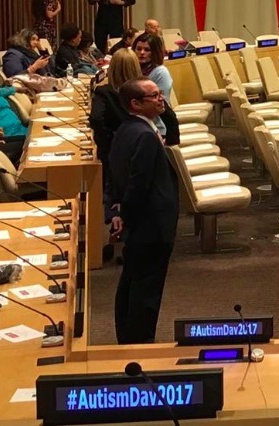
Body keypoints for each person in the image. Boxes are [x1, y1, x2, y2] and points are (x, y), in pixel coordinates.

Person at [109, 77, 178, 344]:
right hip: (151, 226)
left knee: (131, 284)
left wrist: (117, 213)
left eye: (160, 93)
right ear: (135, 104)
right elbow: (138, 185)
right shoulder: (145, 136)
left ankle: (127, 341)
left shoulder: (125, 130)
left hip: (139, 225)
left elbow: (114, 179)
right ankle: (140, 345)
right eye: (154, 96)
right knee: (146, 293)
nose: (161, 98)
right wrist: (126, 215)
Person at [93, 48, 184, 227]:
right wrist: (170, 145)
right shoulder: (146, 88)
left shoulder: (106, 92)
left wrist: (106, 141)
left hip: (123, 145)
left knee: (130, 185)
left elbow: (96, 119)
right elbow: (170, 117)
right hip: (149, 141)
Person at [133, 34, 173, 102]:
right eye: (139, 49)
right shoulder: (132, 68)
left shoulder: (161, 72)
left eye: (147, 50)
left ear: (155, 52)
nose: (142, 52)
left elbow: (161, 102)